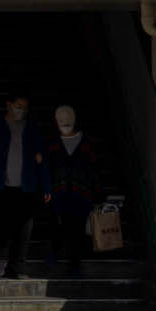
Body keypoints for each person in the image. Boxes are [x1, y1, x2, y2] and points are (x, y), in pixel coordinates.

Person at [0, 92, 50, 279]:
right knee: (0, 225)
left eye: (24, 107)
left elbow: (42, 158)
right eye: (18, 106)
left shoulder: (32, 128)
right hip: (0, 185)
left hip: (27, 186)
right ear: (8, 105)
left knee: (24, 228)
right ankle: (0, 263)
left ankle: (18, 266)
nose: (21, 110)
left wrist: (47, 186)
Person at [46, 105, 101, 276]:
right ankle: (55, 252)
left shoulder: (87, 144)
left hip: (81, 193)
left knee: (77, 230)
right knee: (57, 226)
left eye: (68, 116)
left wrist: (97, 193)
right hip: (58, 193)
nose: (65, 120)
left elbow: (94, 170)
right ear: (55, 121)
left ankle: (75, 264)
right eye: (60, 117)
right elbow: (47, 169)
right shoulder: (52, 145)